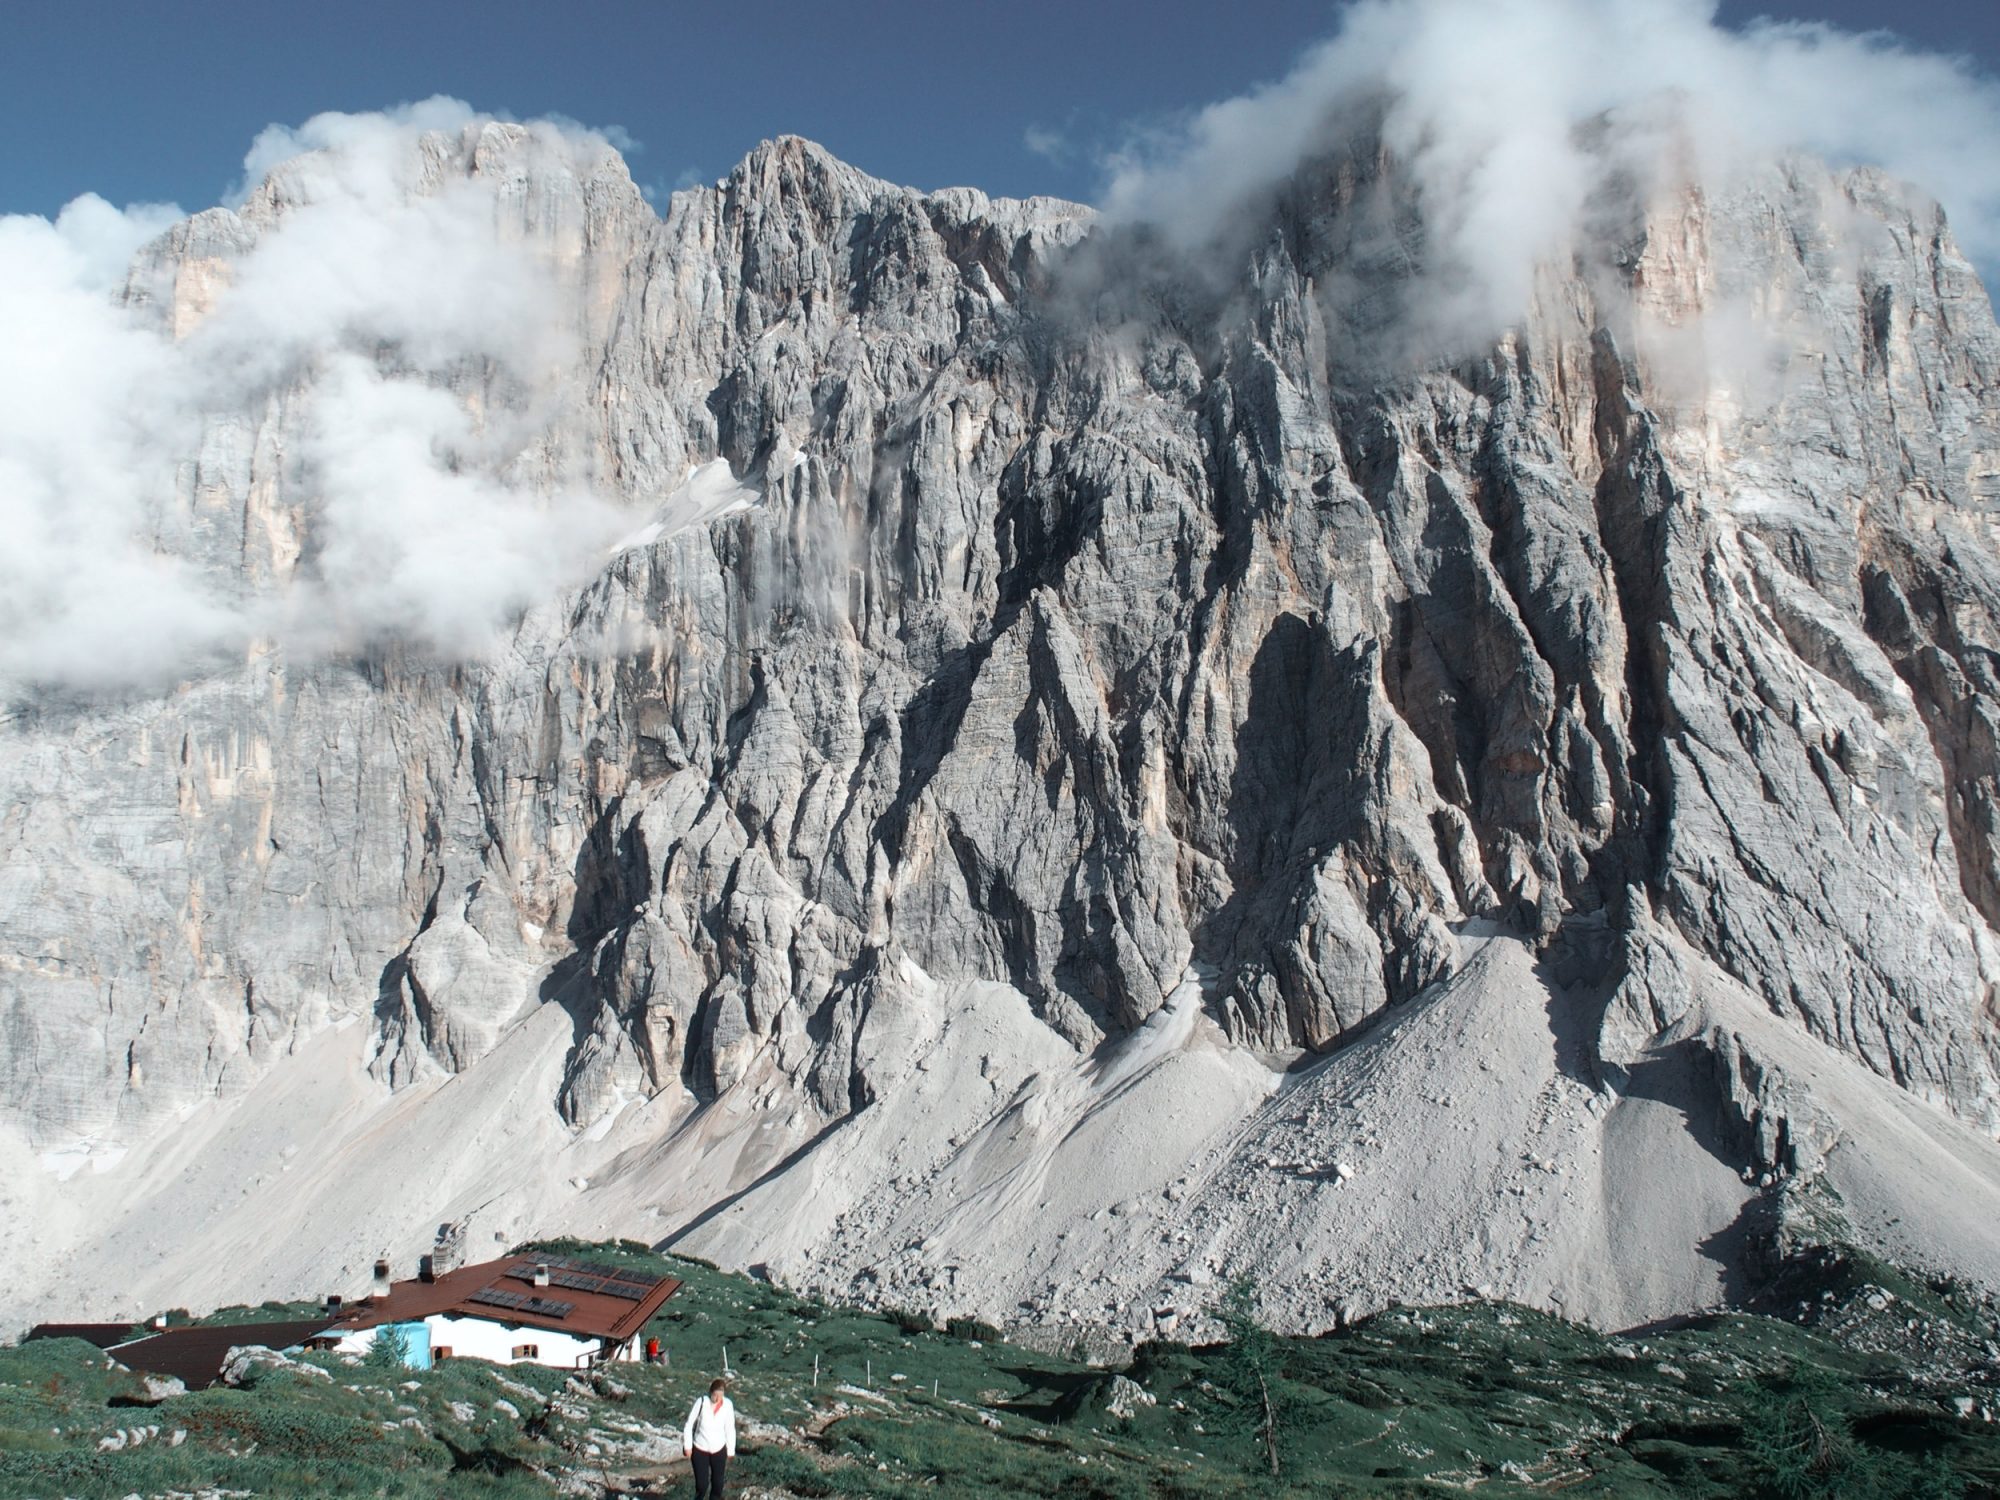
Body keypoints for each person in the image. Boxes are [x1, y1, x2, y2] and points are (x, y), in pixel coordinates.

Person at [682, 1376, 736, 1499]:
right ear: (711, 1392)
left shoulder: (727, 1405)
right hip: (700, 1447)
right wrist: (688, 1446)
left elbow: (730, 1428)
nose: (718, 1399)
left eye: (721, 1396)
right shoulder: (701, 1402)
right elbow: (689, 1424)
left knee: (718, 1484)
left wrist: (731, 1449)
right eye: (716, 1395)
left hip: (719, 1448)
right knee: (702, 1484)